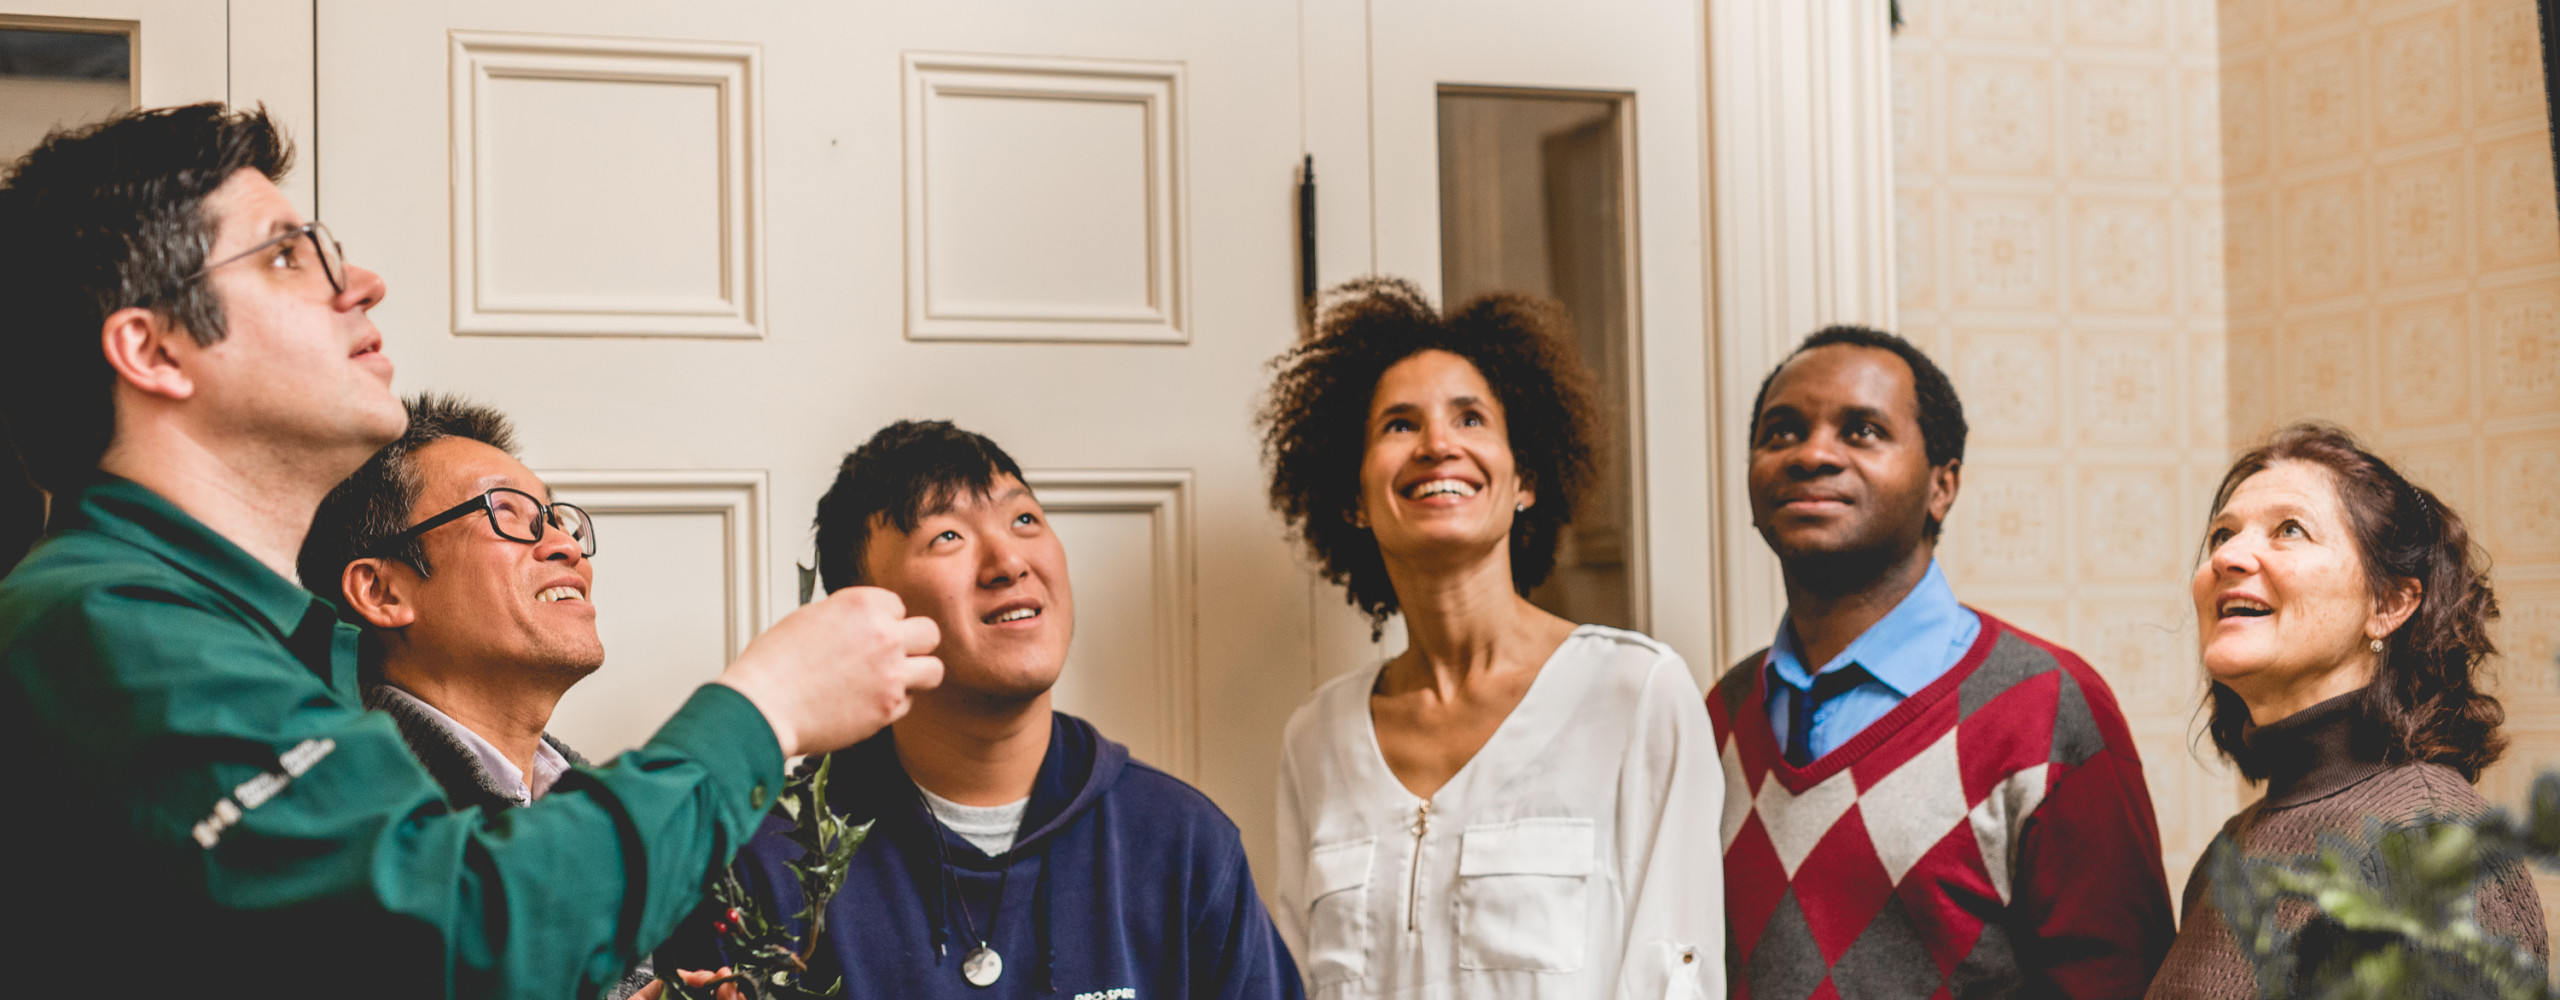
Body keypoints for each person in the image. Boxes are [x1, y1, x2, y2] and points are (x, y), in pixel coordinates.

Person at [0, 104, 942, 999]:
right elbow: (455, 935)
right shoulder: (105, 634)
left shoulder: (266, 643)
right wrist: (768, 707)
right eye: (286, 256)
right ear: (153, 351)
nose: (361, 283)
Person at [664, 420, 1304, 999]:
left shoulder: (1181, 842)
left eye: (1024, 519)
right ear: (865, 615)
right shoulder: (766, 862)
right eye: (947, 536)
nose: (1009, 562)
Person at [1258, 278, 1723, 999]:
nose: (1437, 444)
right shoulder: (1314, 739)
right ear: (1353, 498)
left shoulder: (1636, 695)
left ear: (1524, 479)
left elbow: (1674, 982)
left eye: (1470, 418)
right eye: (1399, 425)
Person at [1709, 325, 2173, 999]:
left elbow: (2120, 984)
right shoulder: (1719, 714)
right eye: (1782, 432)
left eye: (1862, 430)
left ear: (1941, 485)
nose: (1811, 454)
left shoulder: (2046, 706)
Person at [2146, 423, 2547, 997]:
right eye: (2221, 535)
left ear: (2388, 604)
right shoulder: (2228, 852)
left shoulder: (2423, 843)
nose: (2227, 556)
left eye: (2289, 529)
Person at [296, 393, 657, 999]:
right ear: (382, 592)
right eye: (507, 513)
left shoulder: (598, 807)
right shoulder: (346, 823)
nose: (566, 546)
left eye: (557, 520)